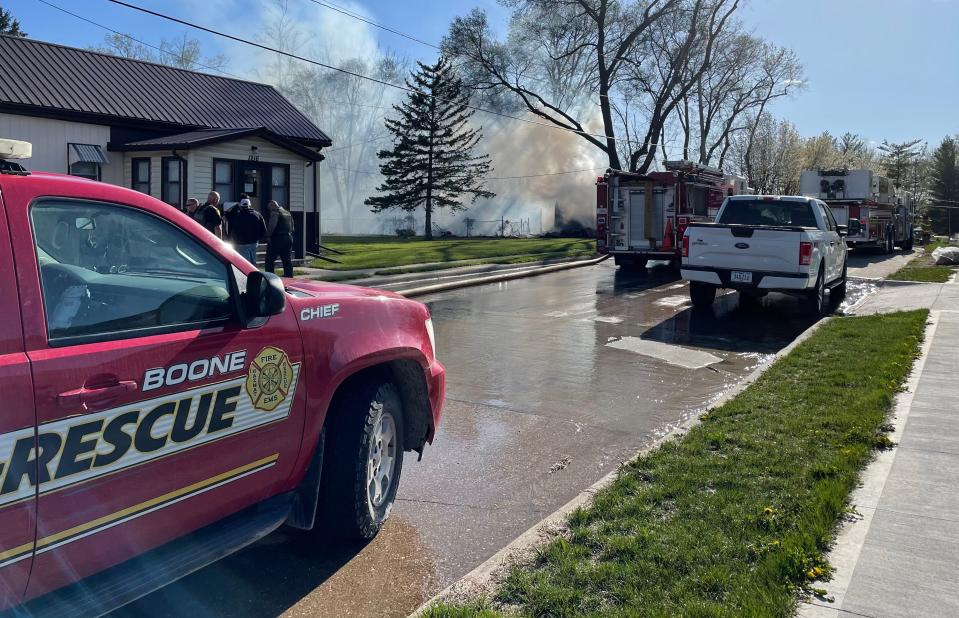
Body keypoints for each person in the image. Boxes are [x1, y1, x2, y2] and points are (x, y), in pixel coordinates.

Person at [229, 198, 266, 266]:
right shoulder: (258, 215)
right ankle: (254, 275)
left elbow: (231, 228)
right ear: (250, 205)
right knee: (253, 261)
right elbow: (263, 230)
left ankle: (248, 276)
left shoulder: (237, 216)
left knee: (246, 263)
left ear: (241, 206)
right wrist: (258, 238)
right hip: (254, 242)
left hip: (241, 243)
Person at [265, 200, 294, 277]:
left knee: (269, 260)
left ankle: (270, 278)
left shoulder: (275, 212)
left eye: (270, 208)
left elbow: (272, 226)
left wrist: (268, 235)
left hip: (278, 238)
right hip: (288, 237)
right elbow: (292, 227)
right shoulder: (287, 213)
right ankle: (289, 277)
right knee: (287, 260)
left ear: (273, 205)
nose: (270, 210)